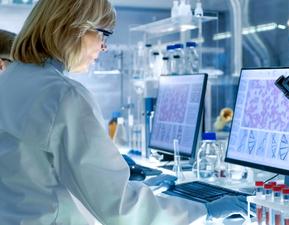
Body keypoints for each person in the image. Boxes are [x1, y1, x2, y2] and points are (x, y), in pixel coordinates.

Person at [0, 0, 246, 224]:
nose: (104, 47)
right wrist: (203, 209)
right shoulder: (64, 96)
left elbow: (44, 175)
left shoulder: (12, 79)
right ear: (74, 27)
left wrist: (131, 186)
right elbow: (120, 211)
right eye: (103, 34)